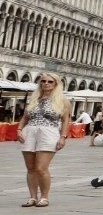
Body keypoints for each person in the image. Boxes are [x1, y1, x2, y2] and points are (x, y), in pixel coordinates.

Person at [19, 72, 69, 207]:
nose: (46, 83)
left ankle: (44, 196)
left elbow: (65, 121)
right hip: (30, 131)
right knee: (30, 168)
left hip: (49, 132)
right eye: (43, 81)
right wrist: (19, 130)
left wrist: (63, 137)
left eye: (50, 82)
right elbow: (25, 117)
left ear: (56, 84)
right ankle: (33, 197)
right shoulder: (34, 98)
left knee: (41, 168)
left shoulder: (62, 100)